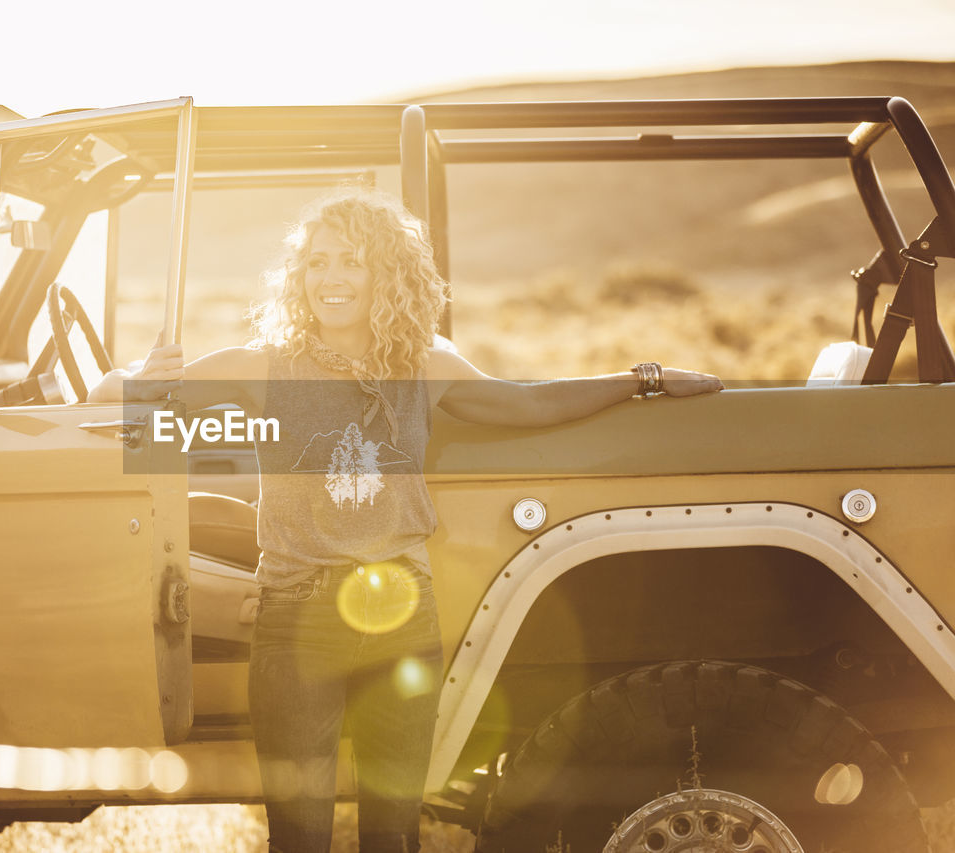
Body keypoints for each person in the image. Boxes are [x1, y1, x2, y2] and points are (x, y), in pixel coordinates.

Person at [91, 189, 722, 853]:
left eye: (352, 262)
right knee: (299, 835)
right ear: (299, 277)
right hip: (297, 619)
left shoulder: (422, 363)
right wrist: (133, 374)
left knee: (392, 835)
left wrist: (642, 379)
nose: (331, 278)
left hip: (403, 616)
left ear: (385, 272)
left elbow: (527, 405)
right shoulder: (263, 365)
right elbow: (121, 405)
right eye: (317, 263)